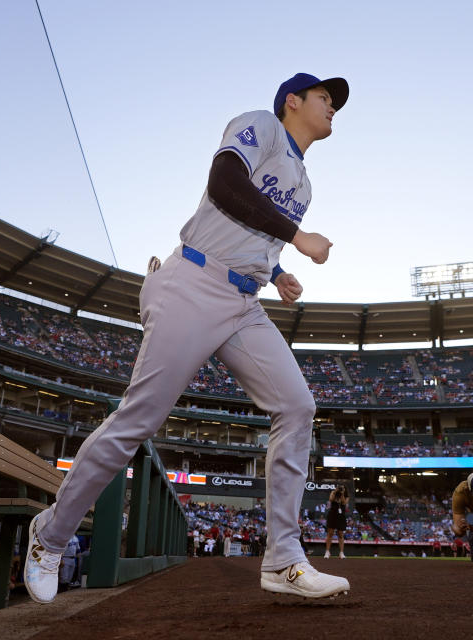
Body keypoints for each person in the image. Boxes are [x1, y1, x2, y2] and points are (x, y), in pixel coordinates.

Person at [24, 72, 352, 603]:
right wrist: (297, 236)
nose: (332, 105)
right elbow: (225, 186)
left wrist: (275, 271)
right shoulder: (262, 125)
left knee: (297, 406)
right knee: (141, 418)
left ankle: (283, 560)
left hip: (244, 302)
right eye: (323, 97)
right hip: (192, 284)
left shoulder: (305, 183)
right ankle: (51, 534)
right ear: (293, 101)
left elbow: (251, 230)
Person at [324, 485, 349, 559]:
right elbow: (331, 499)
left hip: (341, 516)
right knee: (330, 533)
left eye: (342, 488)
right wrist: (335, 491)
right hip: (332, 514)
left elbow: (344, 503)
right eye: (340, 488)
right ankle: (327, 551)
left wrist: (342, 494)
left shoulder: (346, 496)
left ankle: (341, 552)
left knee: (340, 534)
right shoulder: (333, 493)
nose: (341, 489)